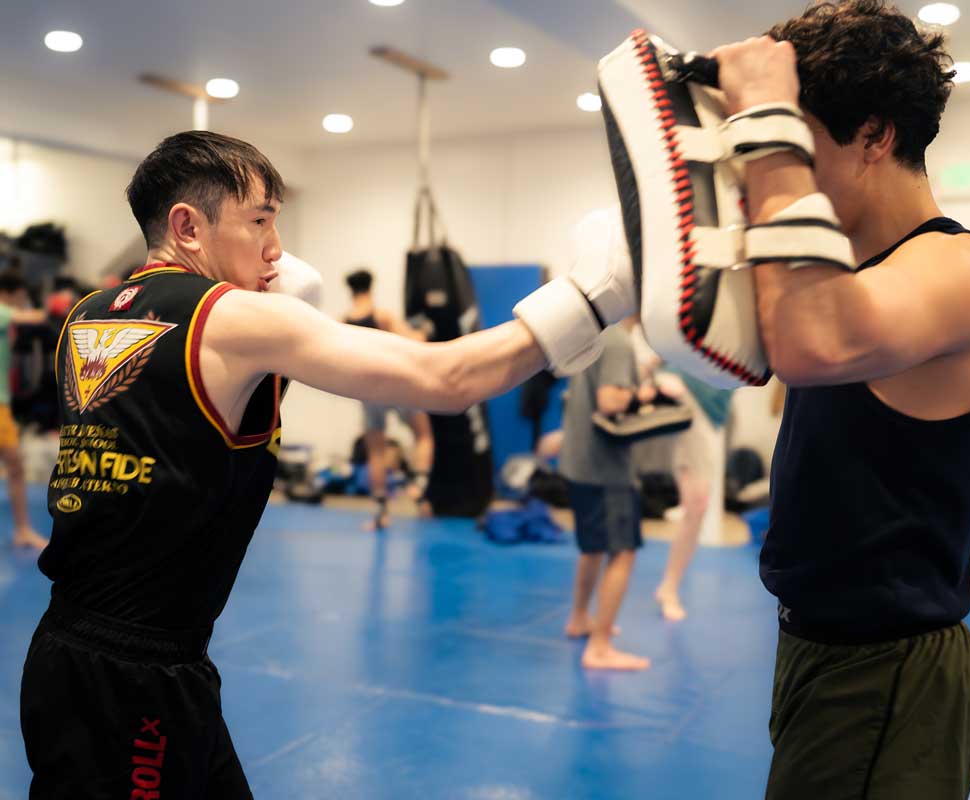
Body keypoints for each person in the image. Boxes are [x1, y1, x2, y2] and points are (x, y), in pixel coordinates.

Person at [19, 130, 634, 797]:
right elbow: (449, 378)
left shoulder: (88, 316)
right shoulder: (232, 320)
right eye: (259, 221)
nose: (276, 248)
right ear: (187, 227)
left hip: (73, 654)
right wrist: (593, 300)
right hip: (136, 686)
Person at [707, 2, 970, 796]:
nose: (778, 167)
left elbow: (815, 344)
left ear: (874, 136)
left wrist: (766, 118)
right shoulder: (848, 277)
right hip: (821, 655)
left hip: (888, 673)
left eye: (800, 144)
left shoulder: (962, 271)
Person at [560, 317, 652, 671]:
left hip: (580, 463)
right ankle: (599, 647)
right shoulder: (618, 342)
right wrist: (643, 394)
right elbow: (611, 400)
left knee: (594, 546)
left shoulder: (599, 336)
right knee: (623, 551)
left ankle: (579, 618)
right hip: (605, 468)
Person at [632, 327, 733, 621]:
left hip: (709, 406)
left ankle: (669, 585)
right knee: (697, 503)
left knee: (697, 506)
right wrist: (655, 371)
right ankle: (669, 586)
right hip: (684, 391)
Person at [343, 268, 434, 529]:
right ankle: (419, 487)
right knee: (424, 434)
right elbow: (413, 342)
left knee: (376, 453)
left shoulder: (344, 321)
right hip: (395, 384)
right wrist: (424, 329)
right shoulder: (381, 316)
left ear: (351, 290)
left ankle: (381, 514)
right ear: (371, 288)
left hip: (367, 389)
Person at [0, 272, 49, 549]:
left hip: (3, 404)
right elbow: (36, 318)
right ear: (11, 293)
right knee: (16, 467)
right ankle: (23, 530)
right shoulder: (2, 311)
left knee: (15, 468)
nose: (22, 302)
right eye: (20, 296)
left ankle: (22, 530)